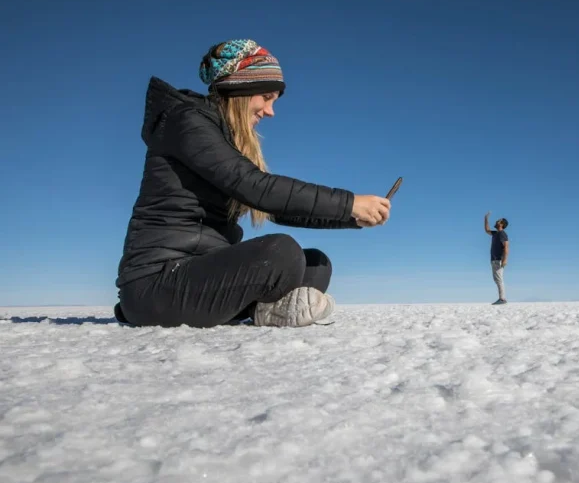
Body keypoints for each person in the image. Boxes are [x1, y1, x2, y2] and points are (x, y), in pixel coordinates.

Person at [113, 39, 392, 329]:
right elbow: (255, 187)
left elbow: (275, 209)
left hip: (198, 275)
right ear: (241, 89)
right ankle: (262, 309)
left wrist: (351, 217)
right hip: (156, 282)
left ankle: (261, 310)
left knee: (314, 263)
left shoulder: (224, 138)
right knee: (281, 252)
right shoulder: (187, 122)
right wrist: (350, 202)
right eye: (266, 97)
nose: (270, 111)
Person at [483, 212, 509, 305]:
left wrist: (505, 259)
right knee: (497, 279)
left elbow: (506, 247)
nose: (496, 221)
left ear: (501, 224)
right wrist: (486, 219)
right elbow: (487, 230)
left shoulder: (502, 234)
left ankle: (502, 299)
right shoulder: (495, 233)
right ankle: (502, 298)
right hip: (494, 260)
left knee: (499, 279)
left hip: (498, 260)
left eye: (498, 221)